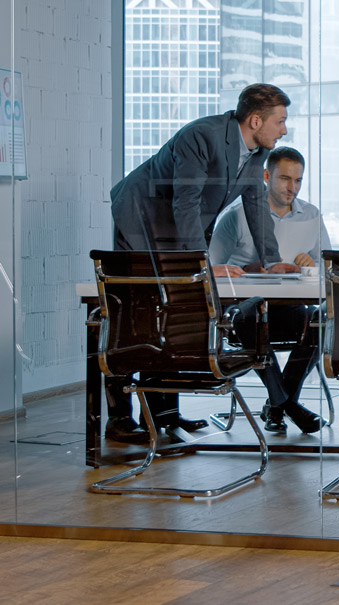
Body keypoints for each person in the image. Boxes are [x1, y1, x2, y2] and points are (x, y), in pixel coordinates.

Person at [104, 83, 291, 444]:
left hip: (177, 225)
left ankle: (165, 415)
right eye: (280, 121)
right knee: (137, 309)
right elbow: (185, 201)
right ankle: (119, 419)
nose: (284, 129)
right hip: (141, 216)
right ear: (256, 120)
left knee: (174, 310)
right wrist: (201, 266)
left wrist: (272, 261)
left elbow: (255, 205)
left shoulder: (255, 154)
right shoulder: (200, 136)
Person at [208, 146, 327, 434]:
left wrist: (308, 266)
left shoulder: (310, 214)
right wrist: (250, 269)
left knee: (320, 319)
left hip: (288, 307)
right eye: (285, 179)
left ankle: (280, 402)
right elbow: (210, 269)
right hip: (243, 311)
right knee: (253, 315)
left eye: (298, 180)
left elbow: (327, 267)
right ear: (265, 176)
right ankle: (286, 405)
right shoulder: (236, 215)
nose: (292, 188)